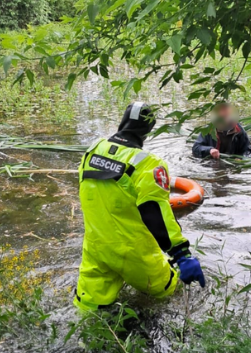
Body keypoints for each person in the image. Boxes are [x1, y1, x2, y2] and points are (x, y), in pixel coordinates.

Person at [73, 102, 205, 312]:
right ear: (149, 130)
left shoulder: (92, 151)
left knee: (90, 313)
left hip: (95, 250)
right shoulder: (148, 163)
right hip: (133, 254)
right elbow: (155, 213)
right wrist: (181, 254)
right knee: (168, 295)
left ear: (123, 121)